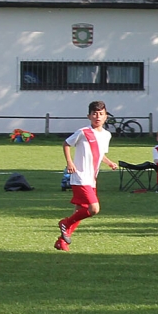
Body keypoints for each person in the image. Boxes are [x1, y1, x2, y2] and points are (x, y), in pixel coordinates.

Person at [56, 101, 118, 252]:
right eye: (94, 114)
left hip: (91, 179)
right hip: (80, 177)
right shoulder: (83, 132)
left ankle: (62, 242)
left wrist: (109, 162)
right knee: (94, 208)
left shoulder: (106, 135)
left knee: (80, 211)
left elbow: (99, 153)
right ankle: (65, 223)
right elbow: (66, 144)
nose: (98, 117)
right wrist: (69, 162)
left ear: (106, 116)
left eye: (101, 114)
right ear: (89, 116)